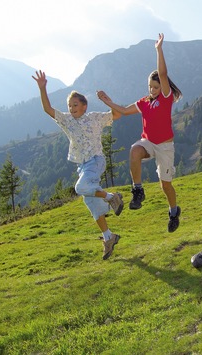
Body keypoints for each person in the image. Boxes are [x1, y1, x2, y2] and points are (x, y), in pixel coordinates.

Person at [32, 70, 124, 260]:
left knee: (81, 187)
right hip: (83, 166)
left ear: (84, 106)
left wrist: (107, 100)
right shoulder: (67, 121)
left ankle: (112, 197)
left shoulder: (95, 118)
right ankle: (109, 237)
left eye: (75, 105)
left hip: (96, 161)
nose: (72, 108)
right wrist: (42, 88)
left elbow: (117, 115)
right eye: (69, 105)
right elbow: (47, 109)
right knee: (91, 203)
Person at [97, 33, 183, 233]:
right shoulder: (144, 102)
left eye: (155, 87)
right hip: (148, 142)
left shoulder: (166, 97)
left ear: (162, 86)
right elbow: (125, 111)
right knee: (135, 150)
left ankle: (173, 211)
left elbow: (163, 73)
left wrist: (158, 50)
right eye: (150, 87)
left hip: (165, 147)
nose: (152, 90)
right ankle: (138, 190)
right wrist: (107, 101)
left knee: (165, 186)